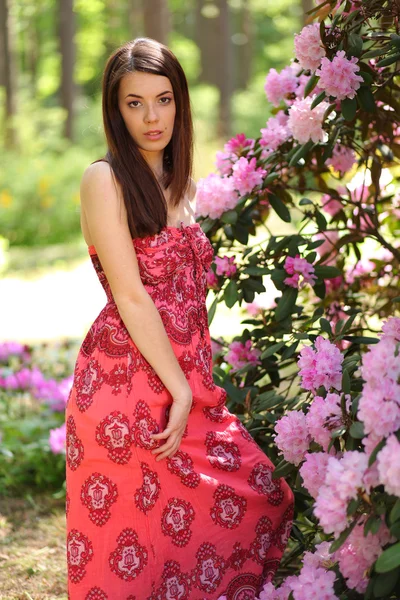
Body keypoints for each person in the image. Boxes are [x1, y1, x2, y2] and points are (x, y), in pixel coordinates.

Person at [65, 37, 294, 600]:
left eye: (163, 100)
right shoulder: (105, 180)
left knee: (262, 499)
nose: (151, 116)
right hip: (127, 389)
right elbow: (133, 296)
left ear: (181, 103)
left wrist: (194, 387)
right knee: (136, 560)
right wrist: (181, 391)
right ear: (114, 111)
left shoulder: (184, 187)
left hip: (186, 383)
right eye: (134, 103)